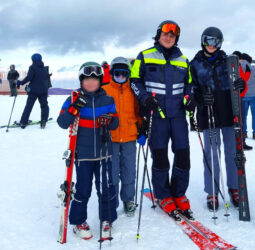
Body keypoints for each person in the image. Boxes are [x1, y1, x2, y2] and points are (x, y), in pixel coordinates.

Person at [130, 20, 195, 220]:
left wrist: (190, 97)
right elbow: (134, 80)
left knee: (183, 155)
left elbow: (190, 84)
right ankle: (163, 195)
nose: (168, 38)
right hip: (155, 115)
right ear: (159, 35)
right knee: (160, 156)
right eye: (165, 34)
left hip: (177, 116)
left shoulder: (183, 60)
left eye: (173, 35)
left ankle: (178, 192)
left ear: (176, 39)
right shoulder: (145, 56)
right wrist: (144, 97)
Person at [57, 62, 119, 240]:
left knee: (106, 188)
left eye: (94, 79)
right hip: (83, 155)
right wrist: (74, 107)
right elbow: (62, 123)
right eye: (87, 80)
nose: (91, 83)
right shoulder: (72, 98)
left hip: (104, 152)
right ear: (81, 81)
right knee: (83, 189)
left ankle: (107, 219)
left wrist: (109, 120)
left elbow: (116, 123)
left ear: (100, 81)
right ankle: (78, 221)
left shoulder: (108, 100)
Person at [190, 27, 246, 211]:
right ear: (202, 41)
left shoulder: (229, 61)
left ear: (220, 43)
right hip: (209, 112)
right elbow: (191, 89)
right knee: (212, 153)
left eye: (215, 41)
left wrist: (240, 84)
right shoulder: (195, 64)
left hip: (229, 111)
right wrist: (199, 99)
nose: (211, 45)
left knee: (232, 151)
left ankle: (234, 187)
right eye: (208, 41)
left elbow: (239, 85)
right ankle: (212, 190)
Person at [102, 57, 144, 217]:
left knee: (129, 170)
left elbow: (138, 112)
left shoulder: (133, 90)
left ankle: (128, 199)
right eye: (117, 73)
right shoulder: (105, 90)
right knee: (111, 171)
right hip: (110, 138)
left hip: (129, 137)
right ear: (112, 73)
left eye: (124, 73)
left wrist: (141, 129)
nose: (121, 77)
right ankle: (112, 201)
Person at [16, 53, 50, 128]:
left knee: (29, 106)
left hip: (33, 91)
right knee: (44, 106)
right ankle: (43, 121)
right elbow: (46, 78)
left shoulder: (32, 67)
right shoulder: (44, 68)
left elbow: (29, 77)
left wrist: (21, 82)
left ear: (33, 60)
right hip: (43, 91)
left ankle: (23, 122)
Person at [232, 51, 253, 150]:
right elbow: (243, 80)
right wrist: (248, 72)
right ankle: (239, 142)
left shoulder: (236, 66)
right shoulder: (235, 66)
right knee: (240, 120)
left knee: (240, 120)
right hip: (239, 97)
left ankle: (239, 142)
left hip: (239, 97)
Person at [241, 53, 255, 140]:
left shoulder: (238, 68)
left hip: (243, 95)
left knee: (243, 116)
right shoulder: (254, 68)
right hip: (254, 95)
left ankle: (244, 133)